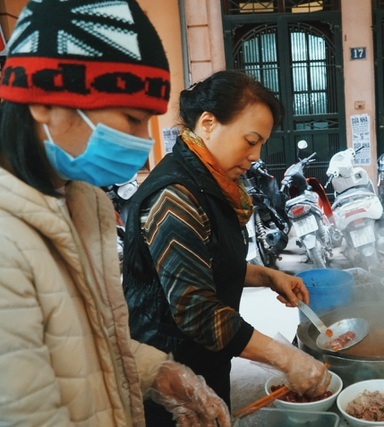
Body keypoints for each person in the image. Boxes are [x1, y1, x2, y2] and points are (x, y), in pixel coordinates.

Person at [0, 1, 232, 426]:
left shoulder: (83, 202)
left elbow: (87, 342)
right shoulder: (7, 247)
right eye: (131, 119)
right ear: (44, 102)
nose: (144, 142)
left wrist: (156, 372)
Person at [122, 70, 330, 424]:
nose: (255, 155)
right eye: (250, 140)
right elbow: (196, 310)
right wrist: (287, 358)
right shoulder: (175, 196)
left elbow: (209, 262)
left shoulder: (212, 184)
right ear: (207, 123)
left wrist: (267, 276)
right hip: (170, 381)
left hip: (206, 364)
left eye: (261, 143)